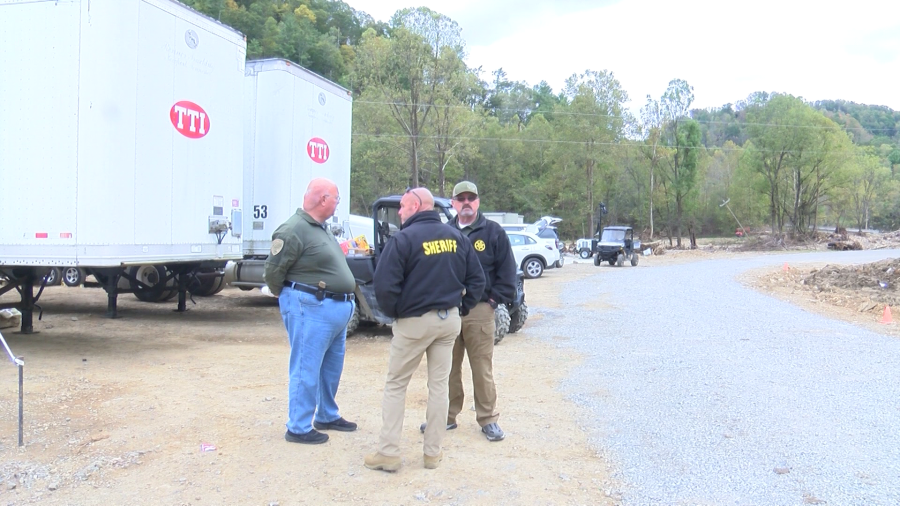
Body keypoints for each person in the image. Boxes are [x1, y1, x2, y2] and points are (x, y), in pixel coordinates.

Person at [364, 188, 485, 472]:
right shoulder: (457, 237)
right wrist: (462, 307)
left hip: (414, 321)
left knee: (396, 385)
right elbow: (477, 280)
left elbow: (384, 285)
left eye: (403, 208)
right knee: (439, 387)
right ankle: (432, 453)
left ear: (417, 206)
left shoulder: (403, 239)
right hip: (448, 321)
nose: (401, 213)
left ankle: (389, 453)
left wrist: (396, 313)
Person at [420, 181, 517, 442]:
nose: (466, 202)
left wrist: (493, 301)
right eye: (460, 198)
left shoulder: (494, 233)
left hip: (479, 311)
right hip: (448, 311)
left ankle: (488, 419)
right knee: (446, 367)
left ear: (478, 201)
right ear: (452, 203)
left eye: (470, 198)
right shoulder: (442, 231)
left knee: (481, 367)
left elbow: (508, 273)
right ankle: (446, 416)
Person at [264, 178, 357, 445]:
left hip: (334, 310)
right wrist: (290, 297)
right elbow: (273, 272)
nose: (337, 203)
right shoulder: (293, 229)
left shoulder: (319, 228)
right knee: (306, 366)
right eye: (336, 199)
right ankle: (299, 426)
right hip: (311, 307)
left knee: (330, 368)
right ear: (323, 199)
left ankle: (327, 414)